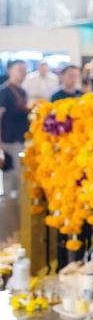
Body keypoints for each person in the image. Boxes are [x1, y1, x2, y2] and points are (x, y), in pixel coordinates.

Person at [0, 60, 30, 209]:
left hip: (21, 140)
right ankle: (9, 213)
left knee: (21, 177)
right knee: (9, 178)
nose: (23, 73)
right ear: (10, 70)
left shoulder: (22, 91)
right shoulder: (4, 92)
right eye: (19, 69)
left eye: (25, 69)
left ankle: (19, 212)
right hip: (8, 140)